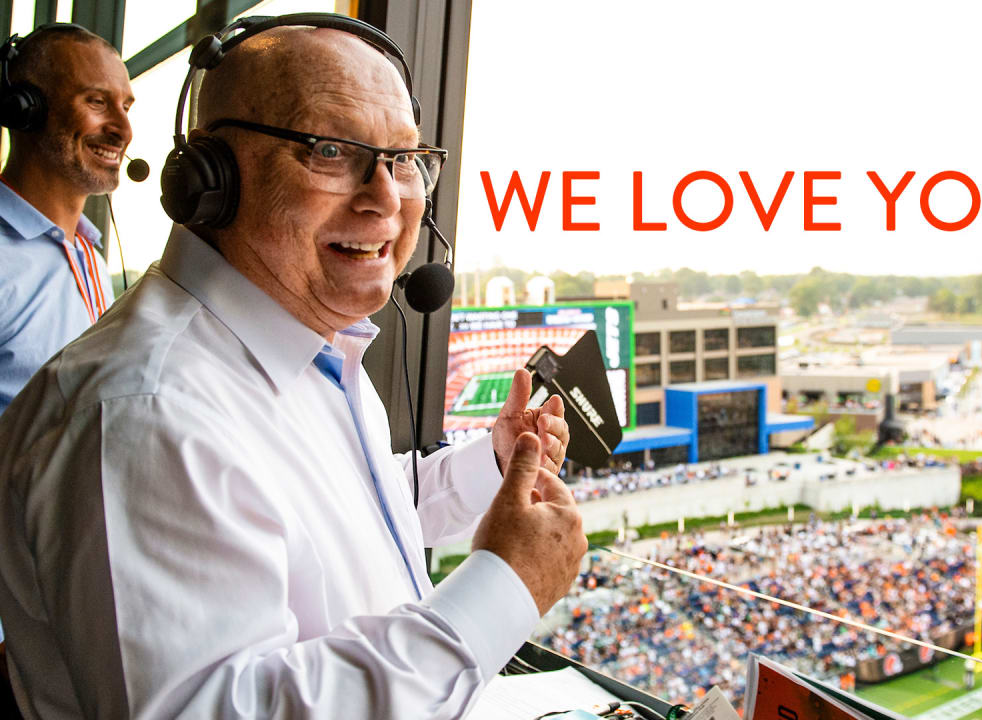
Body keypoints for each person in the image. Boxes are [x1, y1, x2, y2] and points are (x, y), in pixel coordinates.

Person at [0, 17, 587, 719]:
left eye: (404, 159)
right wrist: (504, 586)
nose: (387, 199)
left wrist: (489, 463)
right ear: (210, 180)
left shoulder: (311, 351)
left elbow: (335, 517)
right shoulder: (146, 409)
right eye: (332, 150)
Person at [0, 23, 132, 417]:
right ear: (26, 109)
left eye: (126, 106)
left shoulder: (88, 253)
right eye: (96, 102)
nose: (123, 130)